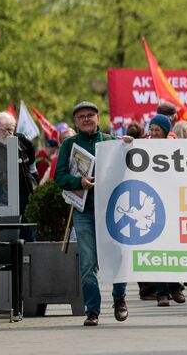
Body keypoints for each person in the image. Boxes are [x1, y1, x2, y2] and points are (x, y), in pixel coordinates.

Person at [54, 101, 131, 326]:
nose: (86, 119)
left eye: (90, 115)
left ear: (98, 118)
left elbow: (131, 165)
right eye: (81, 116)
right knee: (87, 263)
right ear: (76, 122)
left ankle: (119, 299)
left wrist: (129, 146)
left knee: (117, 256)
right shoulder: (69, 144)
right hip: (84, 212)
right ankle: (92, 310)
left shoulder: (111, 141)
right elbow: (59, 177)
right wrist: (79, 181)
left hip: (113, 211)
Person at [144, 114, 187, 307]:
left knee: (172, 246)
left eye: (157, 130)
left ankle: (175, 286)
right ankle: (162, 293)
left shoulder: (174, 149)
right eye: (151, 129)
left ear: (165, 132)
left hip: (172, 202)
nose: (153, 133)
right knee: (157, 247)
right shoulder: (142, 148)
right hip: (152, 203)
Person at [0, 112, 38, 241]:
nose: (7, 133)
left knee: (27, 237)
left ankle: (26, 260)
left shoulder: (24, 144)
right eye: (2, 129)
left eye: (10, 129)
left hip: (22, 197)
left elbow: (32, 168)